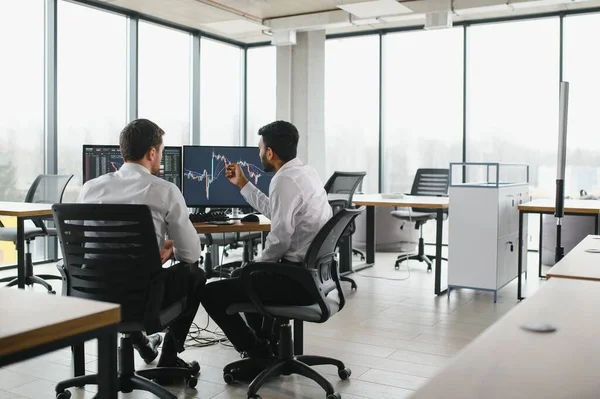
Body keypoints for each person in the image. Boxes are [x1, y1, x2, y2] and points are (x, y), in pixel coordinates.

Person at [77, 118, 205, 375]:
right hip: (144, 302)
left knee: (123, 278)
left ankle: (140, 343)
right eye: (161, 150)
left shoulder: (90, 188)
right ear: (152, 152)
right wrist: (170, 251)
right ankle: (169, 355)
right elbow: (191, 255)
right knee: (195, 275)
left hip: (91, 298)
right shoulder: (165, 190)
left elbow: (81, 247)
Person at [200, 120, 332, 362]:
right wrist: (243, 184)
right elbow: (277, 212)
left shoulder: (283, 180)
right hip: (313, 277)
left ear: (270, 152)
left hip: (296, 281)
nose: (259, 154)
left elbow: (280, 239)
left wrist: (255, 266)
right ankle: (267, 344)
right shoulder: (305, 173)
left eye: (260, 149)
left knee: (210, 292)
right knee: (241, 277)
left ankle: (256, 350)